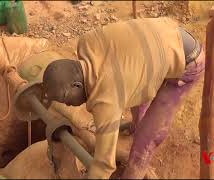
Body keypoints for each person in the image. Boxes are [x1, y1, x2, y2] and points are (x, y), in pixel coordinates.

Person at [41, 17, 205, 179]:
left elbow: (104, 165)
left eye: (65, 99)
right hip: (166, 32)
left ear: (77, 85)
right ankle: (137, 124)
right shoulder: (87, 42)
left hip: (190, 59)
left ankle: (133, 174)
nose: (68, 105)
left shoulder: (106, 101)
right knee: (130, 82)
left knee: (148, 137)